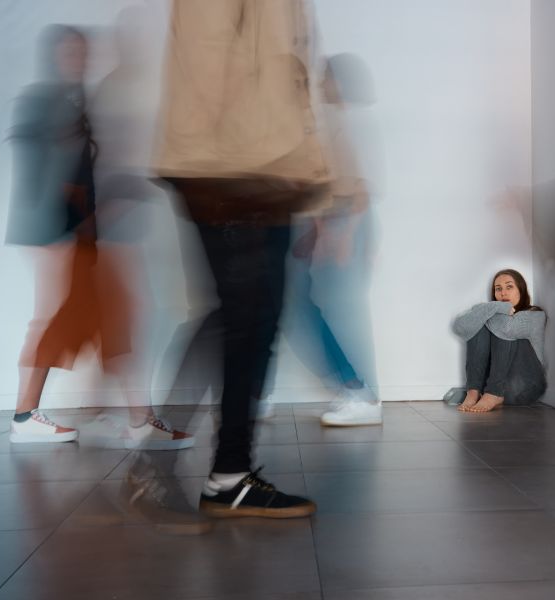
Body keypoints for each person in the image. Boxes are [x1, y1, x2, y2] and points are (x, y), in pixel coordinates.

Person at [153, 0, 328, 518]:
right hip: (231, 170)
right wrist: (231, 170)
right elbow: (204, 60)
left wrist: (310, 180)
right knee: (241, 320)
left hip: (264, 172)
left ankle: (226, 473)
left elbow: (289, 80)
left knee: (253, 322)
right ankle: (164, 466)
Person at [6, 25, 191, 450]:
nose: (79, 60)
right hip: (59, 233)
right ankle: (26, 415)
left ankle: (135, 418)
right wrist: (56, 234)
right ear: (54, 57)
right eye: (71, 53)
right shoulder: (47, 102)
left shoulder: (78, 103)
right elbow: (42, 170)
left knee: (114, 318)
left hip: (84, 232)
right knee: (65, 319)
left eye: (83, 52)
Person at [259, 53, 384, 427]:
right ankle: (351, 388)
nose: (316, 83)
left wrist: (338, 235)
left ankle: (360, 391)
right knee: (294, 306)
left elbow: (355, 187)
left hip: (340, 222)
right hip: (321, 224)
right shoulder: (311, 122)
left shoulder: (332, 121)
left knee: (331, 310)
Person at [452, 269, 546, 413]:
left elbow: (507, 328)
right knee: (477, 326)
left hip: (525, 386)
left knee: (497, 325)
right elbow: (460, 327)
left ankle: (493, 393)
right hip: (494, 386)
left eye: (509, 287)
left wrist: (483, 310)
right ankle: (473, 391)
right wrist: (495, 307)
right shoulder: (495, 309)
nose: (503, 293)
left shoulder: (535, 314)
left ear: (521, 290)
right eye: (498, 289)